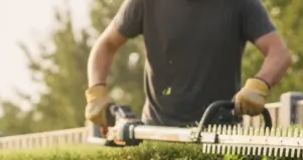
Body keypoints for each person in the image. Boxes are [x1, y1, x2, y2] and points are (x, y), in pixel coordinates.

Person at [85, 0, 291, 128]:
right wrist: (96, 92)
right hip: (157, 130)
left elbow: (279, 53)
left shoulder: (239, 3)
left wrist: (259, 84)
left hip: (219, 132)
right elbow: (106, 44)